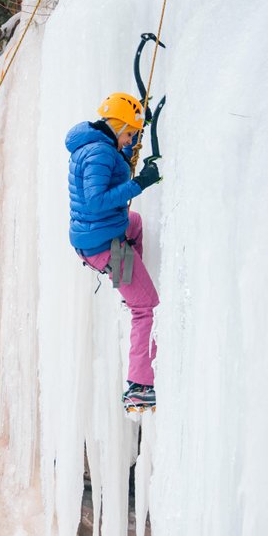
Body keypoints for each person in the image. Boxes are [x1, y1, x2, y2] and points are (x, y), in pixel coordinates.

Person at [65, 92, 163, 411]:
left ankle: (129, 281)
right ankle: (140, 387)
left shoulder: (96, 144)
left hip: (99, 235)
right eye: (131, 133)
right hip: (102, 243)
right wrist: (140, 184)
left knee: (133, 222)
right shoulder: (101, 153)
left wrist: (139, 126)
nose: (131, 139)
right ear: (119, 126)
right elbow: (95, 201)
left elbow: (119, 161)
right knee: (146, 307)